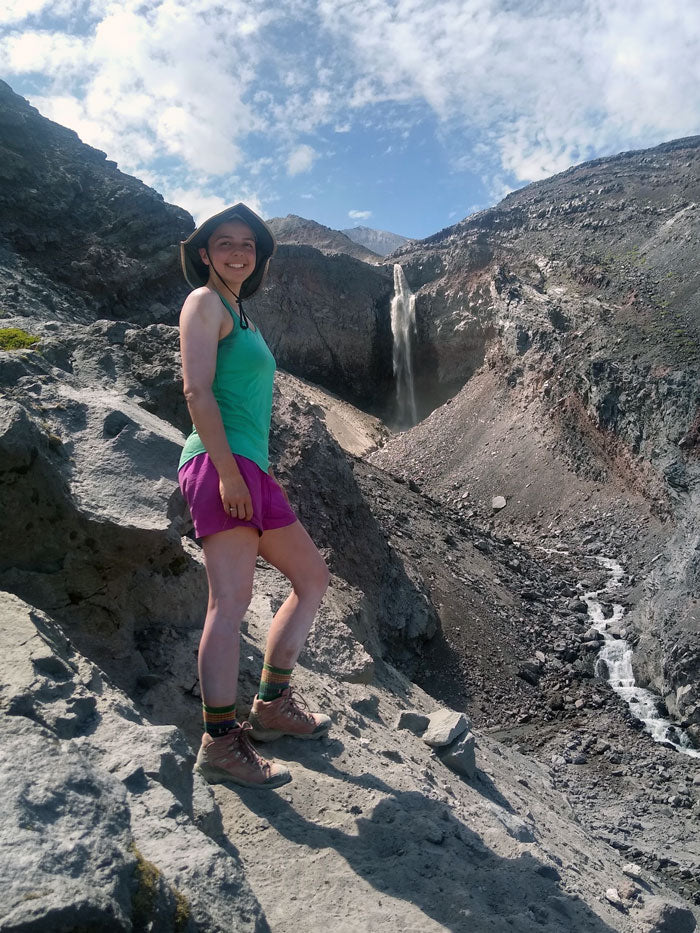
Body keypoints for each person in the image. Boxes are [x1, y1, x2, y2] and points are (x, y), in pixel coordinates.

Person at [177, 203, 331, 789]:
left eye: (248, 243)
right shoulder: (204, 303)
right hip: (222, 464)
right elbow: (196, 389)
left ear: (258, 255)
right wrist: (228, 473)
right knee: (230, 601)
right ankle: (219, 743)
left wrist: (248, 472)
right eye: (224, 242)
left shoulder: (242, 314)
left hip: (249, 467)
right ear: (204, 252)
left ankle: (270, 706)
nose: (237, 251)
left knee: (312, 578)